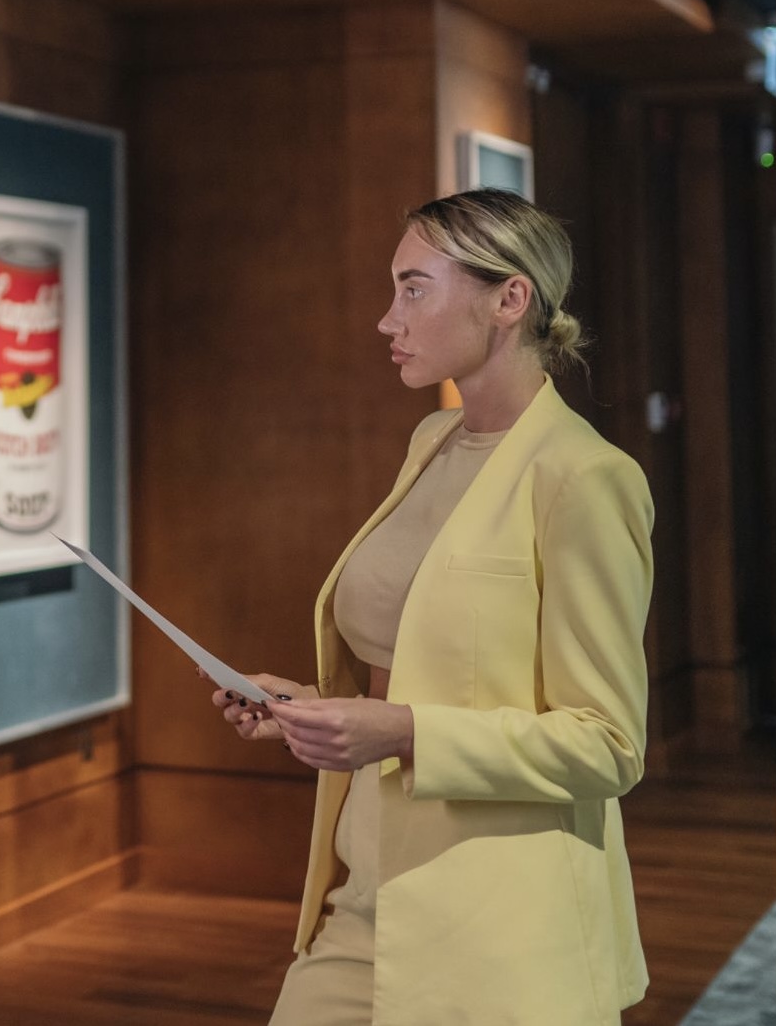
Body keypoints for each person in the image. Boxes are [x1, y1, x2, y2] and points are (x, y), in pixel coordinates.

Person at [214, 189, 654, 1024]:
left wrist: (401, 732)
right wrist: (315, 713)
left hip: (497, 925)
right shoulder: (430, 441)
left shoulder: (586, 479)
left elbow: (607, 744)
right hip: (365, 888)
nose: (387, 318)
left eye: (412, 288)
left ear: (508, 299)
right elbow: (425, 666)